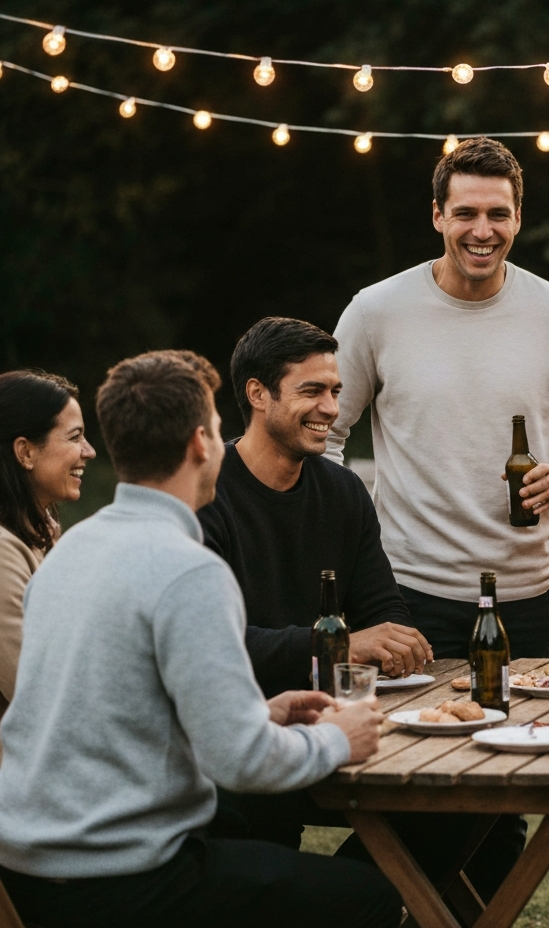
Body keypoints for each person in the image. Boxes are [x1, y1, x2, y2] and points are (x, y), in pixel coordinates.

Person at [0, 351, 399, 928]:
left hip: (23, 867)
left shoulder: (74, 546)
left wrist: (258, 712)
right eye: (219, 429)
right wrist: (336, 738)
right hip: (116, 878)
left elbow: (111, 704)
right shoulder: (189, 569)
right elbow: (241, 762)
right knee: (371, 896)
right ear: (201, 444)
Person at [327, 136, 549, 661]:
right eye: (465, 213)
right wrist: (350, 534)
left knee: (525, 717)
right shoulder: (375, 312)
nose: (483, 231)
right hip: (408, 590)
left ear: (518, 219)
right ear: (437, 215)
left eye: (497, 214)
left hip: (528, 592)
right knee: (411, 721)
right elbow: (325, 430)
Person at [198, 316, 432, 852]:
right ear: (258, 394)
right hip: (237, 740)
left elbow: (384, 610)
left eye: (335, 392)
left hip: (332, 720)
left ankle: (375, 890)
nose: (331, 408)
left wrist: (391, 641)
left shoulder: (343, 491)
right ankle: (365, 893)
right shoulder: (206, 495)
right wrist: (341, 646)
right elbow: (213, 647)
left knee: (450, 814)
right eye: (312, 391)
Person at [0, 371, 95, 843]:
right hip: (4, 796)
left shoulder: (33, 530)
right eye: (75, 437)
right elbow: (43, 694)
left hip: (47, 778)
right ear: (25, 452)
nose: (89, 451)